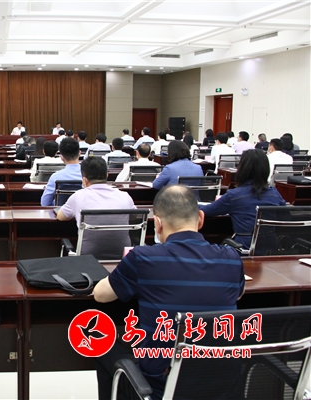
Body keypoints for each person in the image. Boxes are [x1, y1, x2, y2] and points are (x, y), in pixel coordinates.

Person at [93, 185, 244, 400]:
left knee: (102, 343)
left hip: (160, 389)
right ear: (201, 219)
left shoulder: (143, 258)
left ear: (158, 223)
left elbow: (101, 295)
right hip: (224, 388)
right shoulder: (231, 258)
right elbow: (237, 294)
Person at [201, 149, 286, 250]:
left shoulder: (234, 195)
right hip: (270, 248)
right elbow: (286, 217)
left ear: (242, 169)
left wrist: (192, 204)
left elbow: (207, 211)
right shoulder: (274, 194)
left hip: (243, 248)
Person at [57, 156, 135, 258]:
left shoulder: (78, 196)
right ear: (107, 175)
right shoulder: (125, 196)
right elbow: (134, 216)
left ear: (84, 180)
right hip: (123, 259)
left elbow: (60, 216)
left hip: (88, 259)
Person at [41, 138, 82, 206]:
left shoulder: (55, 177)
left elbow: (45, 203)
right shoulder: (89, 176)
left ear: (61, 157)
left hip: (60, 211)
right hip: (83, 211)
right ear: (79, 153)